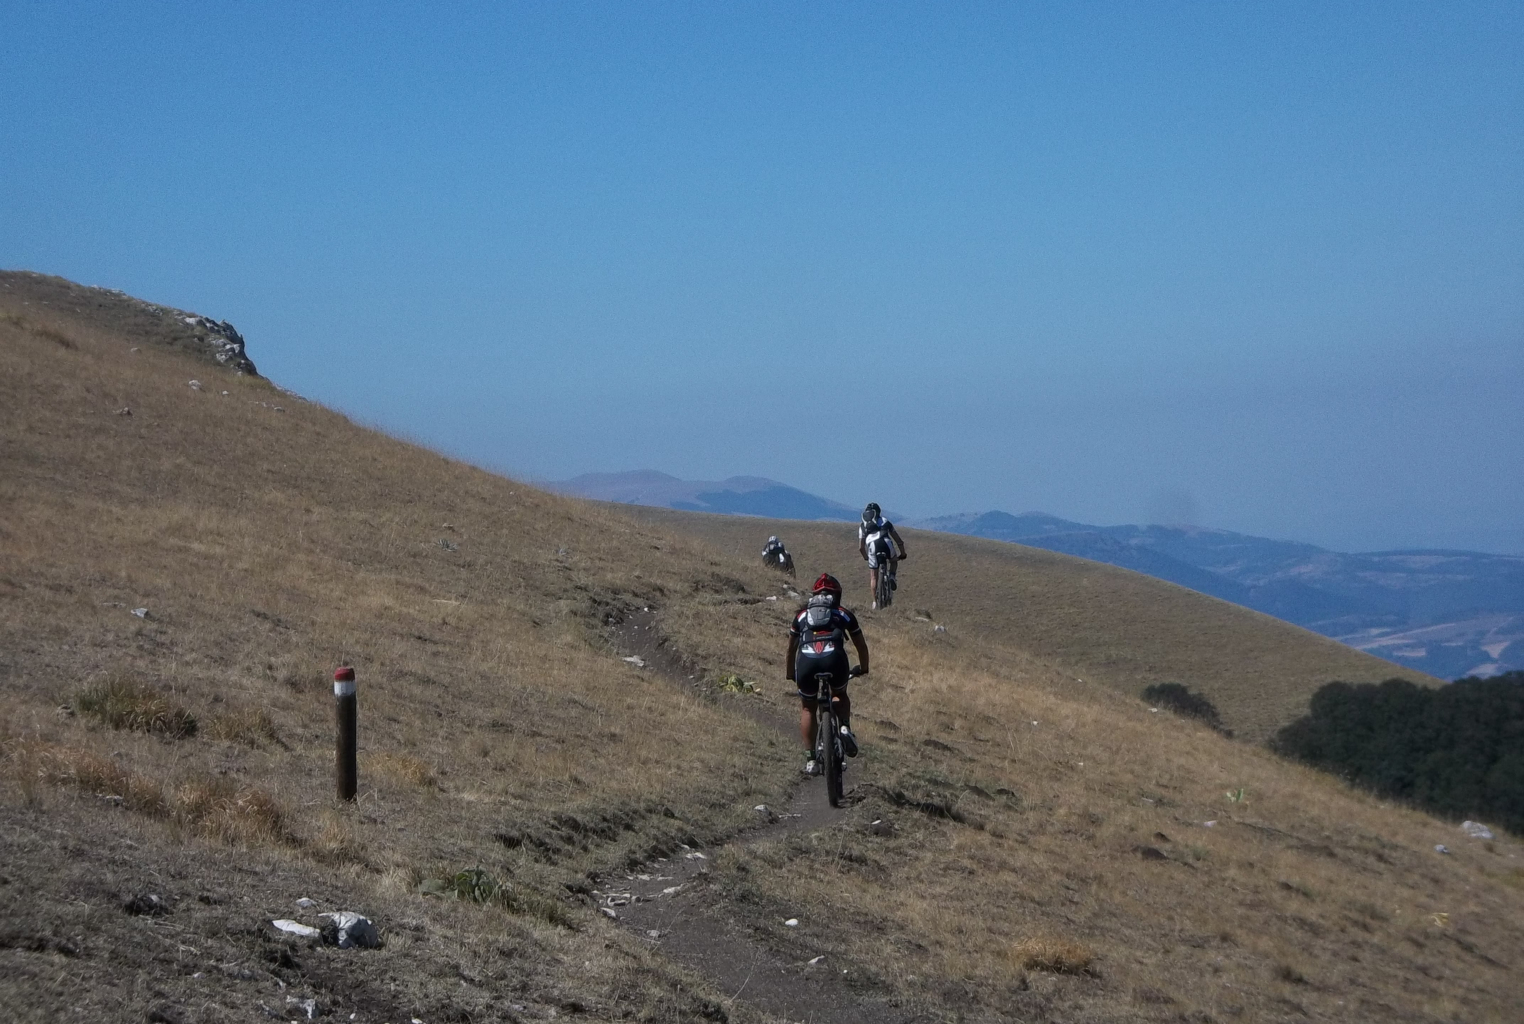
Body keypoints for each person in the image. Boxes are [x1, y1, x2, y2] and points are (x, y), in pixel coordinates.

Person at [786, 573, 870, 776]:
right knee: (840, 693)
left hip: (806, 662)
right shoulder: (843, 613)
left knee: (808, 707)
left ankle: (811, 760)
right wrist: (864, 667)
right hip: (835, 659)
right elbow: (860, 644)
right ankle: (844, 728)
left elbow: (790, 649)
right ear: (837, 595)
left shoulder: (801, 616)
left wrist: (791, 673)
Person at [857, 503, 907, 609]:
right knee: (893, 561)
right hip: (886, 543)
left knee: (874, 577)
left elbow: (861, 548)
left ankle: (875, 602)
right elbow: (899, 541)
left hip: (872, 547)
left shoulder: (862, 526)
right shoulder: (884, 521)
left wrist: (866, 557)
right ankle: (892, 576)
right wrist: (902, 554)